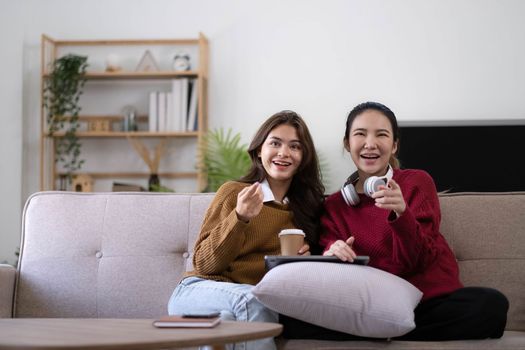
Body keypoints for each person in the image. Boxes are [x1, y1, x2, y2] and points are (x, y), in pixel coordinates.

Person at [281, 101, 509, 341]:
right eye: (360, 134)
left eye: (382, 135)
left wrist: (402, 214)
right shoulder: (335, 206)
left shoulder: (417, 182)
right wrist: (332, 253)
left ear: (394, 145)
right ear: (347, 143)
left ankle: (378, 332)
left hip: (427, 303)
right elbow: (335, 270)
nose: (370, 143)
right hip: (372, 305)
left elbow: (417, 259)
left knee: (490, 305)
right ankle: (381, 329)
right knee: (288, 319)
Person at [167, 110, 325, 350]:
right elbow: (204, 265)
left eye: (295, 146)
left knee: (226, 328)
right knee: (253, 301)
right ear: (259, 150)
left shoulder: (306, 210)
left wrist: (298, 263)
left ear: (303, 157)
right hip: (197, 292)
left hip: (243, 305)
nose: (284, 153)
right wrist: (239, 217)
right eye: (275, 143)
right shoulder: (234, 193)